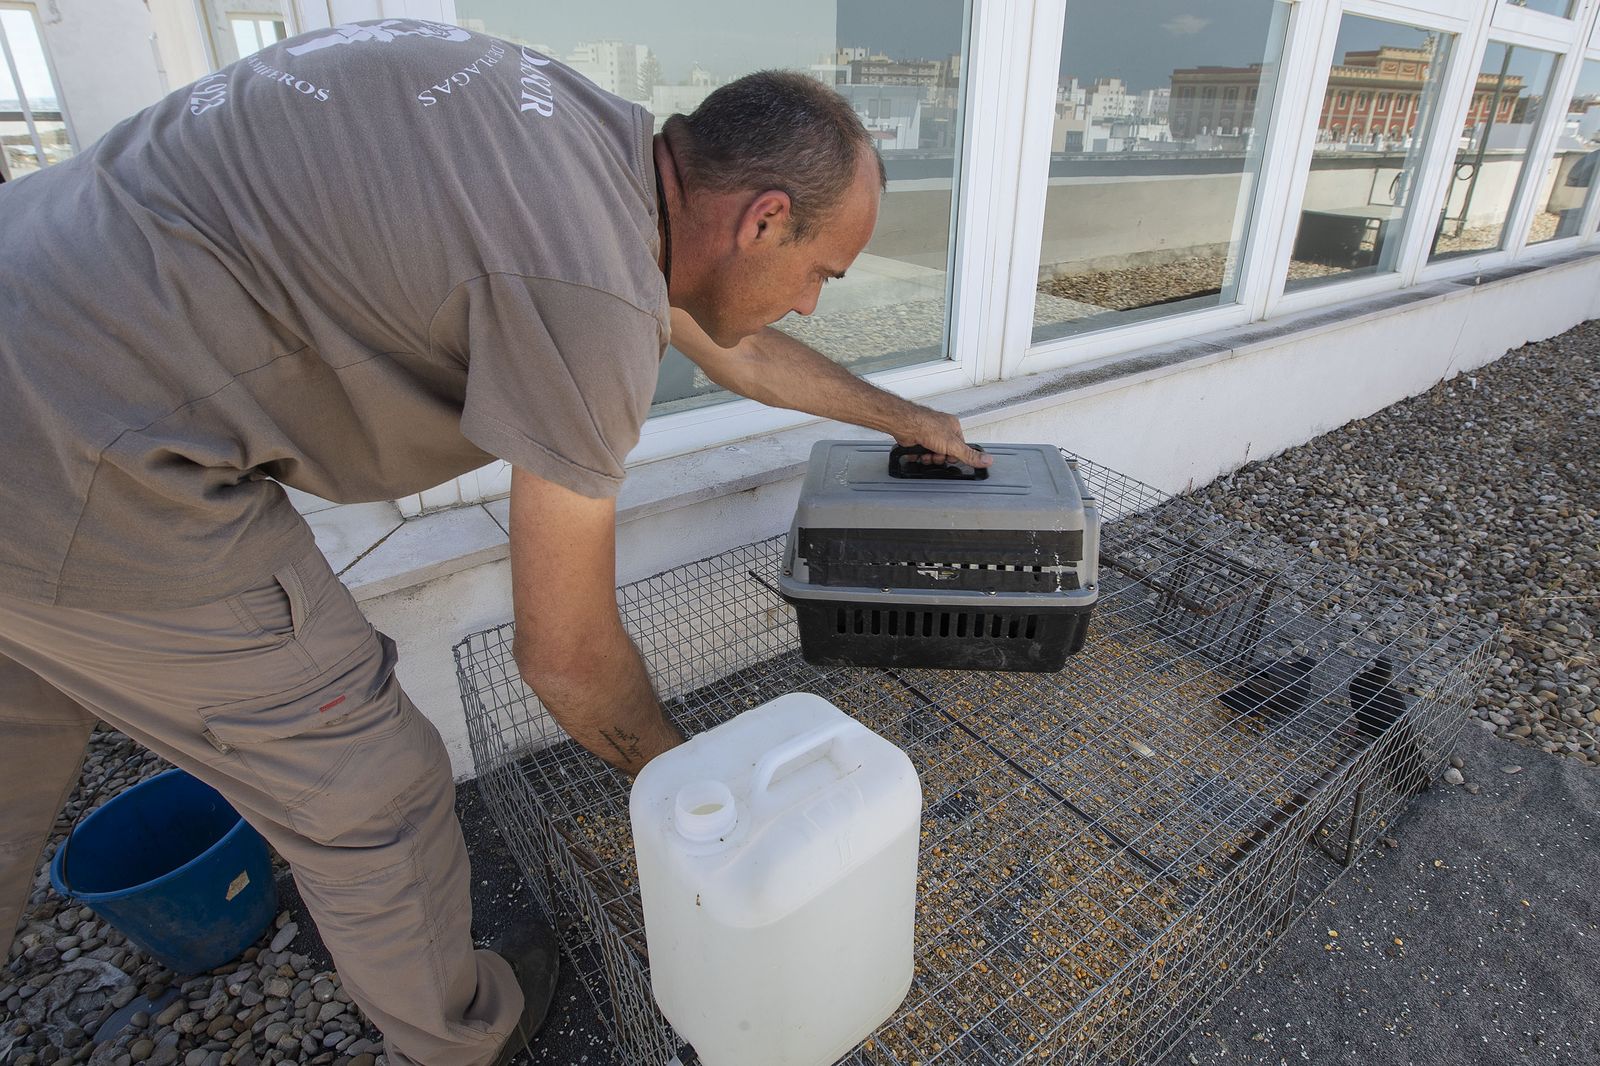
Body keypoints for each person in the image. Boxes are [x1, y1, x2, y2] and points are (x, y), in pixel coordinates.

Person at [0, 19, 986, 1066]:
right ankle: (466, 1037)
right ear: (763, 220)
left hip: (34, 296)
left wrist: (903, 419)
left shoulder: (587, 141)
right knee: (376, 789)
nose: (808, 301)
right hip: (78, 454)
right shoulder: (588, 289)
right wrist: (707, 802)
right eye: (821, 272)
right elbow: (564, 656)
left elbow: (719, 338)